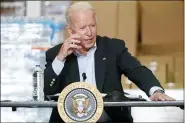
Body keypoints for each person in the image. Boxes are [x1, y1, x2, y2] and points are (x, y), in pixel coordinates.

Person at [44, 1, 175, 123]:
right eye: (83, 28)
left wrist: (156, 91)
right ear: (70, 30)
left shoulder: (113, 47)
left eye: (93, 25)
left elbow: (136, 70)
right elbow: (46, 92)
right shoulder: (55, 54)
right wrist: (60, 58)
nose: (89, 32)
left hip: (109, 119)